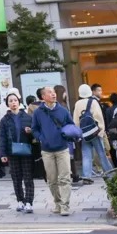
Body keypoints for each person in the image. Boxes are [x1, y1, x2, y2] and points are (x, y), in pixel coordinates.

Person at [31, 86, 75, 216]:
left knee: (65, 178)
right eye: (50, 93)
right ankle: (57, 202)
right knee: (51, 179)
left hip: (62, 149)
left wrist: (68, 134)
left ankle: (65, 205)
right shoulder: (38, 112)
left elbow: (70, 125)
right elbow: (34, 129)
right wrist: (41, 138)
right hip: (47, 151)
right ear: (43, 97)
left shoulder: (63, 110)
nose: (53, 94)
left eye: (54, 92)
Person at [0, 92, 35, 213]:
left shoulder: (28, 117)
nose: (13, 103)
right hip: (12, 152)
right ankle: (20, 200)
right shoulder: (4, 120)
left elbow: (35, 136)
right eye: (10, 101)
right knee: (16, 178)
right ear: (7, 104)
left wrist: (30, 132)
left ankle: (29, 202)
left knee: (28, 178)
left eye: (15, 100)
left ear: (19, 102)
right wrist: (3, 154)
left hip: (26, 151)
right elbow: (2, 138)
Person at [73, 83, 113, 182]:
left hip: (84, 133)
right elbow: (99, 117)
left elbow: (76, 120)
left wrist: (79, 133)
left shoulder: (77, 103)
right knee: (101, 153)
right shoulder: (93, 102)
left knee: (86, 154)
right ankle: (109, 173)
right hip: (95, 132)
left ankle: (87, 176)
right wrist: (101, 131)